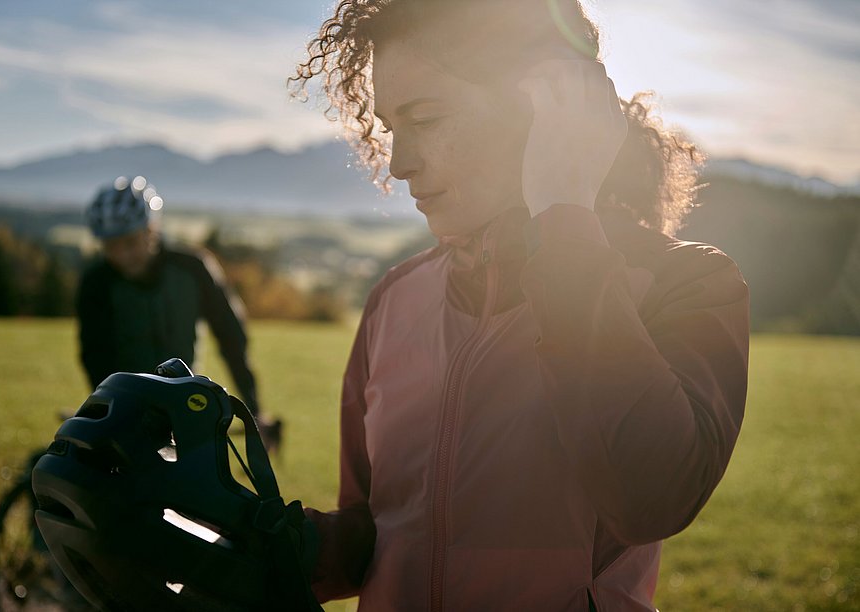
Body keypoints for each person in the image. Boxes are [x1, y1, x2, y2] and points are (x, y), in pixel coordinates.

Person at [290, 0, 749, 610]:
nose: (399, 163)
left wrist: (562, 210)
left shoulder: (686, 284)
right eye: (390, 128)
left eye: (424, 118)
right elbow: (377, 530)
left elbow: (650, 496)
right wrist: (240, 542)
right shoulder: (394, 299)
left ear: (541, 109)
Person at [76, 175, 281, 449]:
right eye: (111, 246)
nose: (122, 255)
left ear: (151, 229)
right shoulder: (97, 283)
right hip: (124, 411)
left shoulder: (192, 269)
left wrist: (253, 412)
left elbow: (232, 339)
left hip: (185, 406)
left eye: (130, 243)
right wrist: (109, 412)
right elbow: (95, 354)